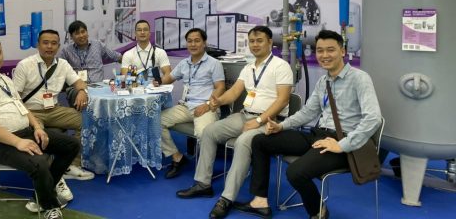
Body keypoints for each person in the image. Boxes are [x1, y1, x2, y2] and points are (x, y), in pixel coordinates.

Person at [236, 30, 382, 219]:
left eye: (330, 50)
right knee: (260, 141)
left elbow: (373, 118)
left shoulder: (359, 78)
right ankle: (260, 201)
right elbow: (308, 112)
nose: (324, 55)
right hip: (318, 136)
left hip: (344, 143)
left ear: (342, 51)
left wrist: (341, 145)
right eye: (320, 51)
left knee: (295, 172)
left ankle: (318, 212)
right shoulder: (323, 81)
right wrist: (281, 126)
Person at [175, 26, 294, 219]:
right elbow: (233, 93)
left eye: (260, 40)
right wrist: (217, 102)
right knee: (209, 131)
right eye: (252, 41)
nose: (255, 45)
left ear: (270, 42)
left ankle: (226, 198)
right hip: (245, 115)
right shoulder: (248, 67)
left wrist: (259, 120)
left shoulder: (281, 66)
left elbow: (283, 100)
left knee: (242, 142)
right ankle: (203, 184)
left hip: (270, 121)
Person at [0, 36, 79, 219]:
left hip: (26, 133)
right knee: (40, 162)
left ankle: (41, 195)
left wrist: (37, 127)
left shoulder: (3, 79)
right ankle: (50, 206)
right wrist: (18, 142)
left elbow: (22, 106)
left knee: (71, 145)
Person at [13, 29, 95, 195]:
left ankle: (71, 165)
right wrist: (30, 118)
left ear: (58, 46)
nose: (49, 47)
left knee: (86, 121)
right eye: (45, 43)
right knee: (39, 135)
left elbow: (79, 82)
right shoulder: (25, 65)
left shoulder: (62, 64)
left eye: (53, 43)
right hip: (31, 111)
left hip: (54, 110)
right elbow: (16, 98)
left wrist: (81, 91)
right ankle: (50, 174)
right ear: (38, 45)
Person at [158, 28, 226, 179]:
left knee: (204, 134)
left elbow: (220, 87)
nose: (193, 44)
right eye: (189, 41)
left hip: (206, 107)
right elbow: (168, 79)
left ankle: (203, 176)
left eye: (197, 41)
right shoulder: (184, 63)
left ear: (204, 43)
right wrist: (157, 82)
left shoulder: (214, 63)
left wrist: (207, 104)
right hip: (186, 107)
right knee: (155, 121)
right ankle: (177, 157)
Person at [58, 20, 121, 85]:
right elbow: (59, 69)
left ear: (87, 32)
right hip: (77, 87)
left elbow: (116, 56)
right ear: (71, 36)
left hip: (98, 86)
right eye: (77, 33)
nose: (81, 35)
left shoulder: (98, 45)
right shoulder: (66, 51)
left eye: (83, 32)